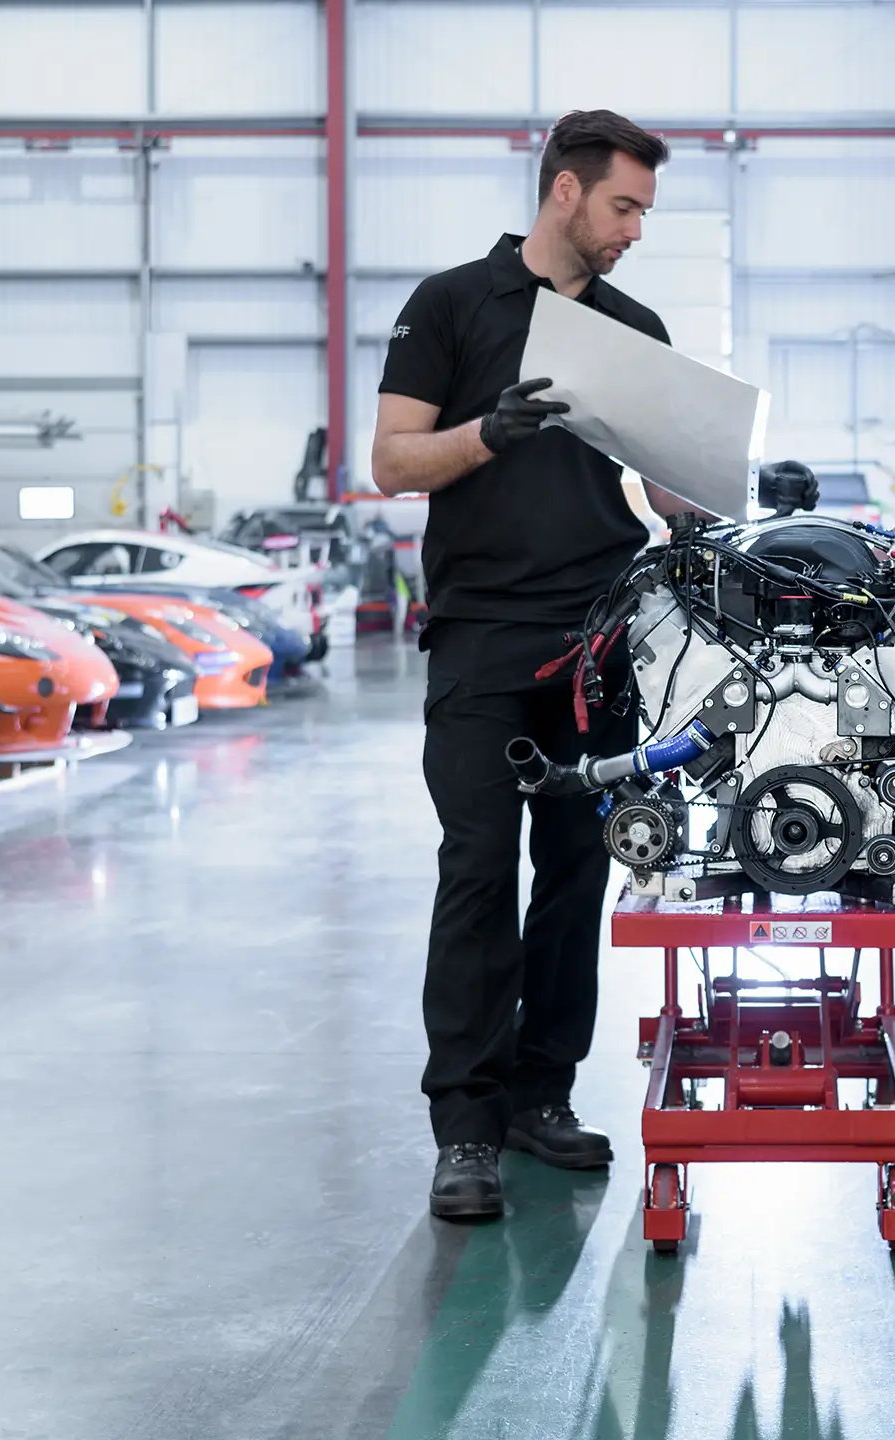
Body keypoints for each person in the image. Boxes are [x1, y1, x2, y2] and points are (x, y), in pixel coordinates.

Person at [373, 109, 694, 1220]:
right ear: (565, 192)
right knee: (476, 873)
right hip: (481, 635)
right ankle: (465, 1124)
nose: (634, 231)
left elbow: (663, 489)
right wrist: (489, 435)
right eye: (623, 207)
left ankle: (540, 1095)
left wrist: (713, 477)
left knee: (574, 874)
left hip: (597, 639)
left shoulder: (630, 323)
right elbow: (391, 462)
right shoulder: (451, 305)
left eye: (644, 212)